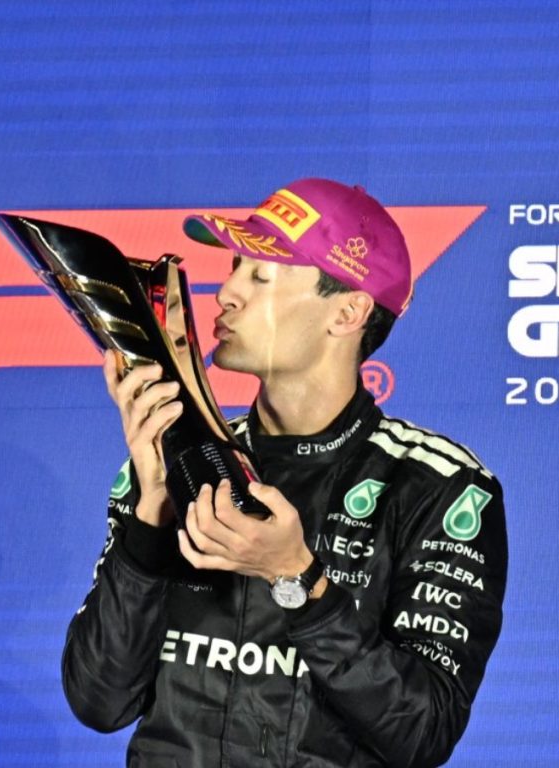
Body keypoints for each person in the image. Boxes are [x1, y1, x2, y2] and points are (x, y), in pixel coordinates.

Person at [61, 178, 507, 768]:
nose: (226, 294)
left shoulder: (439, 489)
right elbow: (99, 701)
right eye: (233, 269)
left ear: (347, 311)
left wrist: (294, 576)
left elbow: (422, 732)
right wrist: (151, 517)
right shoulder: (172, 460)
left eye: (260, 275)